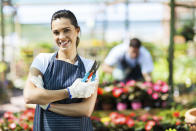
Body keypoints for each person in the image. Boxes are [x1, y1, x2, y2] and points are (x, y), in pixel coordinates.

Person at [23, 9, 98, 131]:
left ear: (77, 31)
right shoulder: (42, 60)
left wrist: (48, 105)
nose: (61, 37)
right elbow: (29, 96)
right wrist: (70, 92)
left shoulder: (89, 67)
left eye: (66, 30)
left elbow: (86, 109)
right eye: (56, 32)